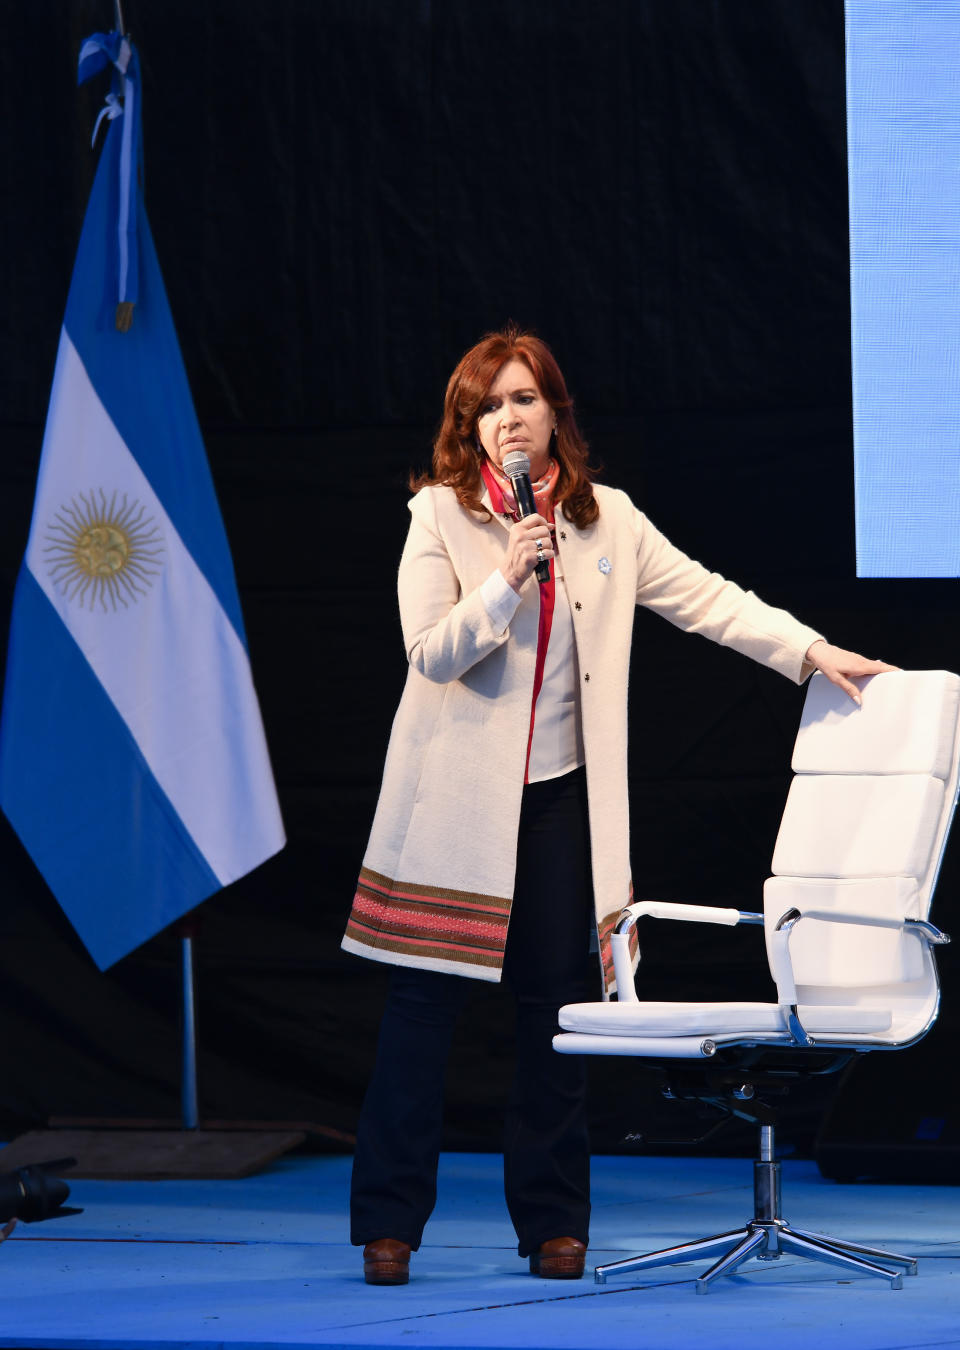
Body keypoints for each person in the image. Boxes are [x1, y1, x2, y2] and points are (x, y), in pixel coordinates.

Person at [341, 325, 896, 1286]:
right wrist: (507, 577)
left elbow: (715, 602)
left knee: (556, 1017)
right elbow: (429, 652)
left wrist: (812, 651)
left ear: (556, 412)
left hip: (561, 803)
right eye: (488, 407)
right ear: (467, 429)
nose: (508, 420)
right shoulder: (440, 517)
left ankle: (554, 1223)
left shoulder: (611, 525)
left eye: (524, 400)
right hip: (453, 807)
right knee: (421, 1016)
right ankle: (389, 1225)